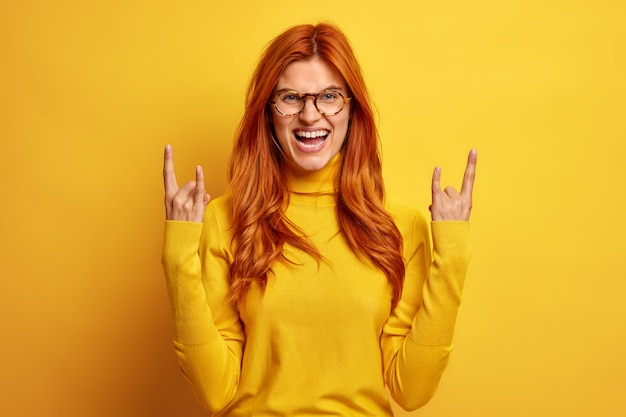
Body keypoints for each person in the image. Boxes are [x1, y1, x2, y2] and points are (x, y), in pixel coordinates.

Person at [161, 22, 477, 417]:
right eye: (291, 98)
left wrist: (454, 256)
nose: (310, 115)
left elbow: (411, 390)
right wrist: (177, 256)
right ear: (268, 112)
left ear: (352, 108)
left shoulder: (401, 225)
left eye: (329, 96)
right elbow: (215, 391)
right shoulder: (224, 220)